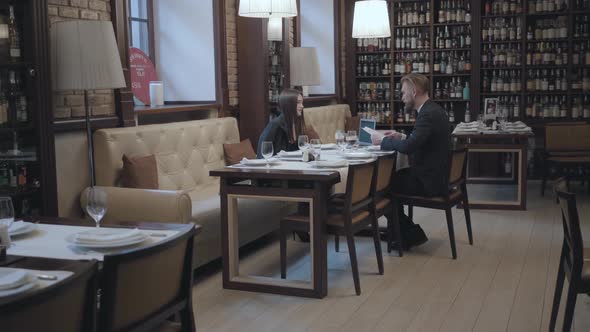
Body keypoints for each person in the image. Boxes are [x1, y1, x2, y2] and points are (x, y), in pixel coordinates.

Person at [371, 73, 451, 249]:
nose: (401, 97)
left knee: (382, 187)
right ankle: (402, 233)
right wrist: (402, 136)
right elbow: (421, 141)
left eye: (403, 92)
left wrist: (382, 140)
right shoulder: (433, 110)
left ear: (414, 92)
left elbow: (408, 148)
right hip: (438, 176)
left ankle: (407, 233)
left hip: (429, 181)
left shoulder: (427, 114)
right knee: (391, 182)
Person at [257, 89, 319, 158]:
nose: (302, 106)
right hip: (276, 167)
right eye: (298, 103)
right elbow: (262, 154)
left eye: (302, 103)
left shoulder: (297, 124)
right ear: (288, 105)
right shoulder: (275, 125)